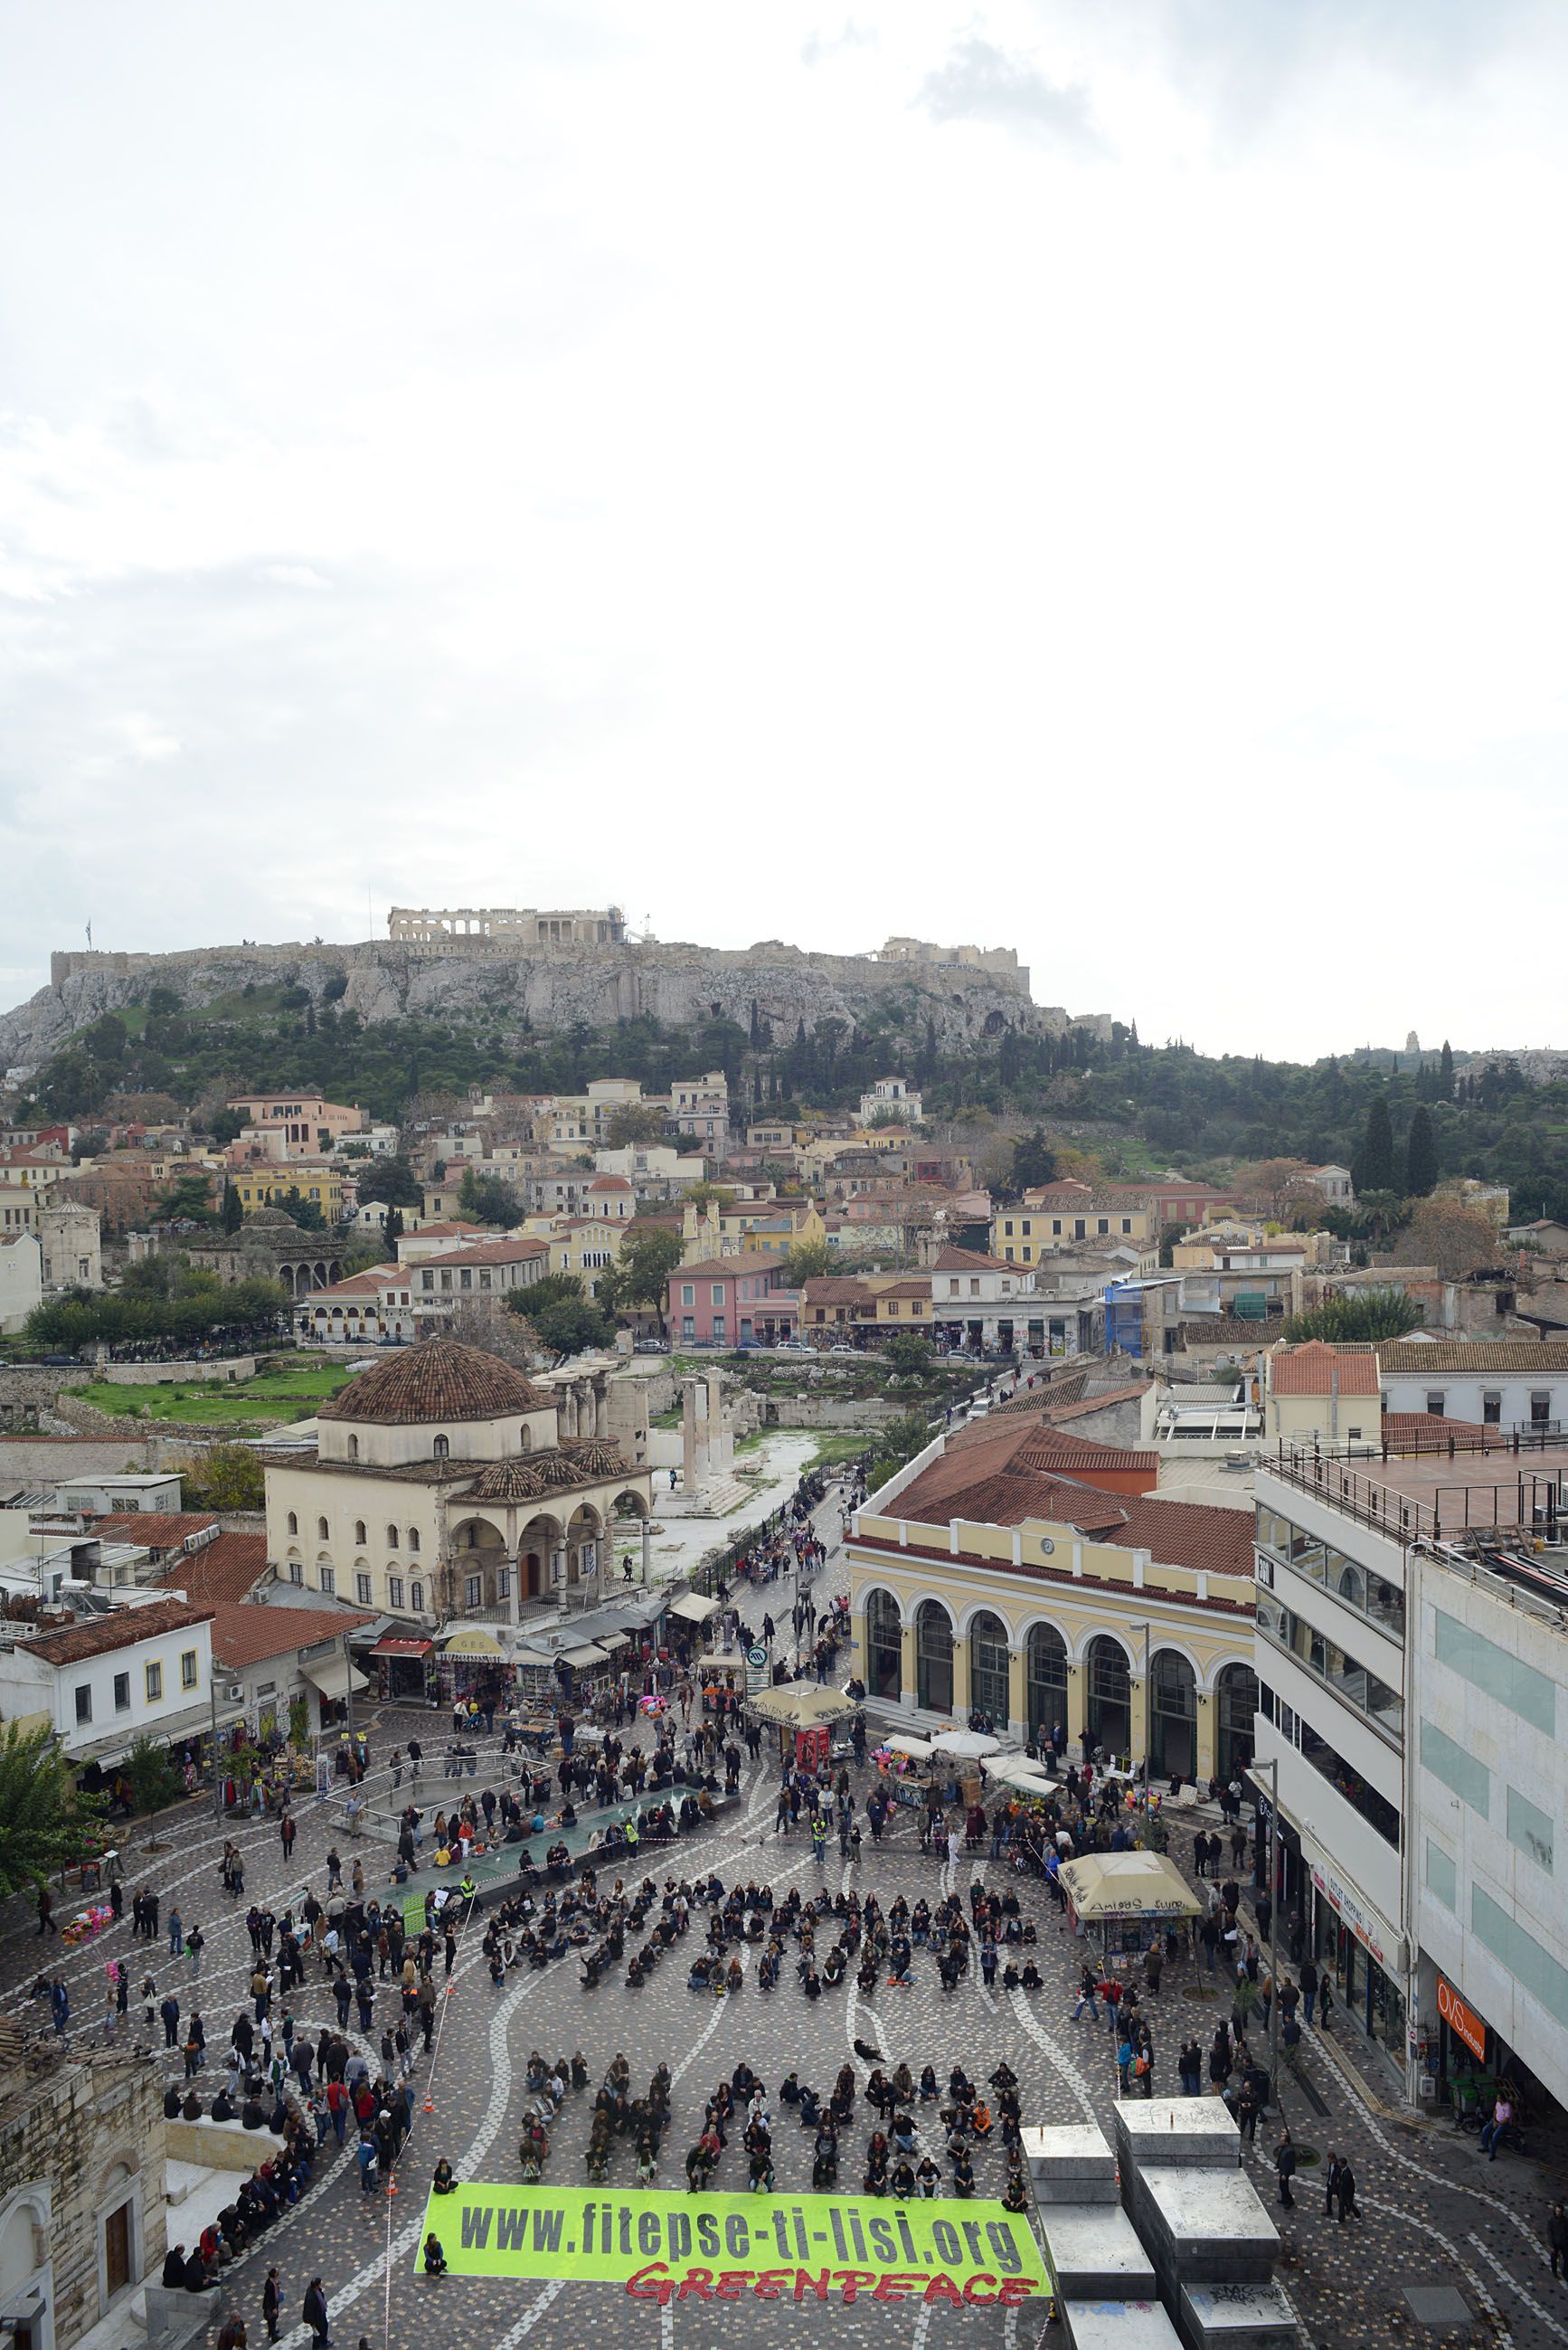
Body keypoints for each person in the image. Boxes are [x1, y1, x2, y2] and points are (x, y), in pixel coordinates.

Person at [302, 2278, 331, 2347]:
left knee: (324, 2328)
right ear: (316, 2285)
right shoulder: (311, 2297)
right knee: (318, 2333)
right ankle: (318, 2346)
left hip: (321, 2314)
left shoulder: (316, 2290)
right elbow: (309, 2311)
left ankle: (324, 2341)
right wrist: (313, 2322)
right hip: (317, 2318)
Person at [1273, 2130, 1296, 2209]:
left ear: (1286, 2142)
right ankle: (1284, 2199)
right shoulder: (1284, 2148)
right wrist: (1277, 2165)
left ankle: (1290, 2201)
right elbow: (1281, 2158)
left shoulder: (1289, 2151)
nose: (1280, 2142)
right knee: (1282, 2186)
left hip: (1285, 2172)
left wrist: (1285, 2174)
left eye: (1282, 2141)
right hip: (1283, 2169)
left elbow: (1288, 2164)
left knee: (1284, 2186)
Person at [1548, 2201, 1568, 2281]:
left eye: (1560, 2211)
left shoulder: (1566, 2221)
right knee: (1554, 2258)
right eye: (1557, 2211)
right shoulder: (1551, 2221)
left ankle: (1565, 2273)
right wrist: (1551, 2245)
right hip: (1555, 2243)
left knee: (1567, 2259)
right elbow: (1549, 2233)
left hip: (1564, 2243)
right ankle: (1554, 2272)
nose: (1558, 2213)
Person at [262, 2269, 281, 2343]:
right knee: (272, 2319)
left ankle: (271, 2331)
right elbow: (271, 2298)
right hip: (270, 2306)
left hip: (271, 2304)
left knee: (272, 2319)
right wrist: (274, 2308)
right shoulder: (270, 2285)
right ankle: (274, 2336)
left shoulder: (271, 2281)